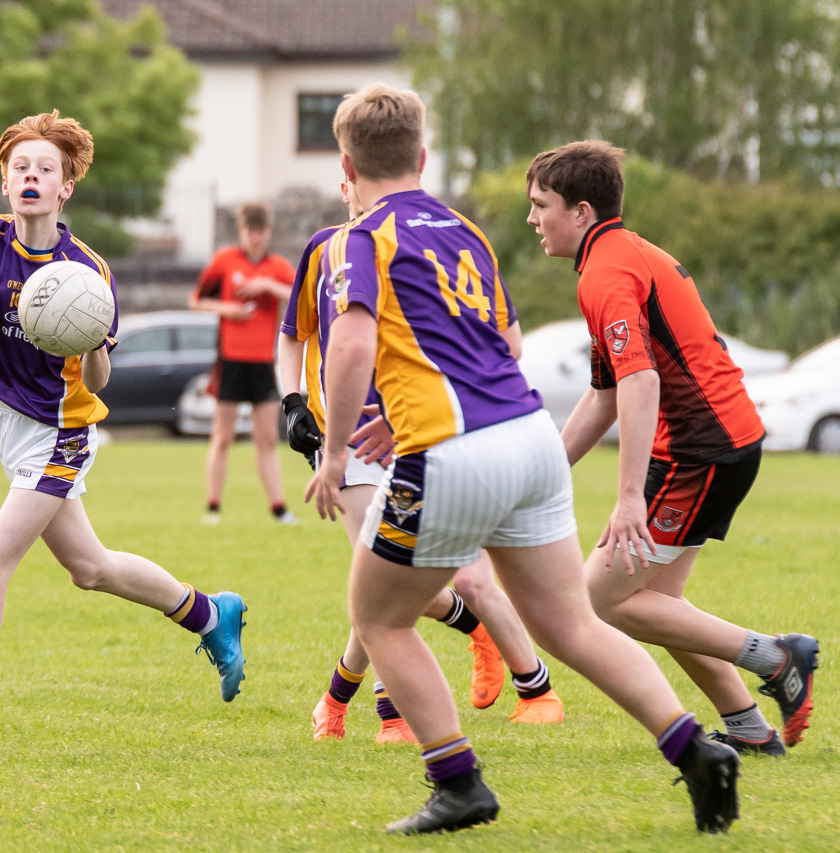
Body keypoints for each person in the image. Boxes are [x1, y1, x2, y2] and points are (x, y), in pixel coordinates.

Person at [305, 83, 741, 835]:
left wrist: (338, 444)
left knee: (378, 617)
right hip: (531, 436)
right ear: (423, 156)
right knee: (570, 622)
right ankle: (694, 747)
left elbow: (350, 342)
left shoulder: (357, 239)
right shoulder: (466, 231)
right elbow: (504, 345)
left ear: (345, 163)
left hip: (452, 451)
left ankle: (459, 782)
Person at [0, 110, 247, 754]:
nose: (32, 176)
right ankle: (210, 613)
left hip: (61, 431)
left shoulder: (87, 273)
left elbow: (98, 381)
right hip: (6, 422)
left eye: (46, 169)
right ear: (5, 179)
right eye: (21, 166)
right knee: (90, 568)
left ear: (64, 187)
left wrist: (94, 340)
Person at [524, 140, 820, 754]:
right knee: (656, 603)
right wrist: (541, 470)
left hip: (700, 450)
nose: (532, 219)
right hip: (711, 444)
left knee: (598, 604)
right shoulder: (617, 257)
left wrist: (629, 496)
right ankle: (748, 729)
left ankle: (777, 657)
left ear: (580, 212)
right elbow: (605, 394)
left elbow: (640, 380)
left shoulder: (606, 272)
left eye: (540, 204)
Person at [279, 181, 564, 744]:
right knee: (380, 573)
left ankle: (347, 700)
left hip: (424, 429)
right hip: (350, 436)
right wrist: (292, 402)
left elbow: (490, 339)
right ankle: (392, 715)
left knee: (420, 585)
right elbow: (292, 336)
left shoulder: (417, 244)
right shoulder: (326, 248)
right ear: (346, 181)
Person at [190, 203, 296, 525]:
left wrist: (267, 287)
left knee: (266, 439)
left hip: (263, 361)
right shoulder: (224, 261)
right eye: (251, 232)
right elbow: (196, 300)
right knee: (223, 436)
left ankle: (279, 509)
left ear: (269, 233)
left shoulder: (277, 266)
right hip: (231, 361)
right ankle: (213, 507)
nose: (256, 238)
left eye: (261, 232)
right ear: (242, 232)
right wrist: (228, 310)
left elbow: (299, 294)